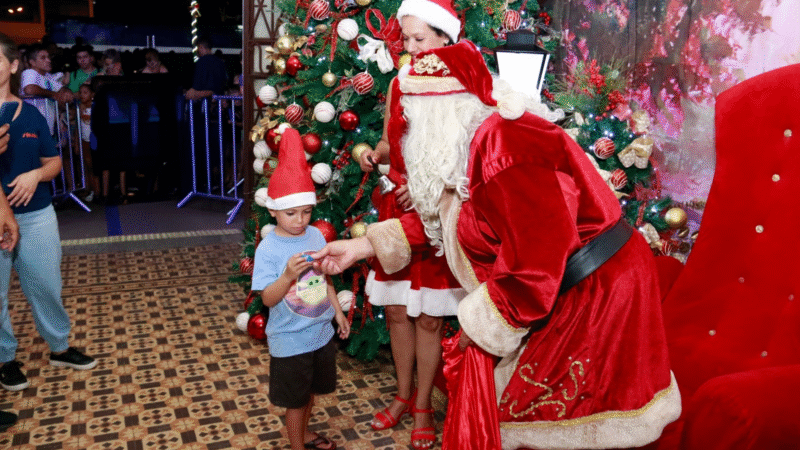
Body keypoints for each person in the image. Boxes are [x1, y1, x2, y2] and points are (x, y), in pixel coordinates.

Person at [313, 40, 681, 449]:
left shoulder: (507, 147)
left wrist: (485, 324)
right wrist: (362, 248)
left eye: (413, 115)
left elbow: (540, 252)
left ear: (443, 111)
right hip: (555, 287)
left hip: (594, 288)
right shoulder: (467, 143)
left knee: (556, 417)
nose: (406, 128)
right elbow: (448, 221)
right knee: (521, 411)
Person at [354, 1, 464, 448]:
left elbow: (463, 159)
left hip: (434, 214)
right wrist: (374, 153)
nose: (412, 49)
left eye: (421, 39)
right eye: (408, 40)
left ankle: (422, 404)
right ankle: (401, 396)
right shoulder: (400, 82)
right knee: (397, 309)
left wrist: (426, 192)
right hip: (395, 209)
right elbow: (387, 138)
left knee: (430, 320)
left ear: (445, 38)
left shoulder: (462, 87)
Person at [0, 33, 97, 393]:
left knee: (46, 285)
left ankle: (59, 347)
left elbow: (54, 161)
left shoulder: (31, 114)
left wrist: (35, 175)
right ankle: (5, 359)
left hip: (37, 213)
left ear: (12, 66)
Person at [251, 127, 350, 450]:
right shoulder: (268, 249)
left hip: (319, 333)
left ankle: (305, 433)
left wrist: (338, 314)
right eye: (291, 213)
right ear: (273, 209)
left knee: (309, 394)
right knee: (295, 402)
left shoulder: (316, 237)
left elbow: (326, 281)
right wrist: (286, 277)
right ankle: (297, 444)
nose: (300, 220)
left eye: (306, 211)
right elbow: (266, 298)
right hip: (289, 340)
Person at [19, 43, 74, 136]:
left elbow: (62, 90)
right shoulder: (30, 72)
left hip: (46, 130)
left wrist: (66, 91)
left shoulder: (48, 77)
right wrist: (53, 94)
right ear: (32, 62)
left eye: (48, 57)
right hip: (30, 130)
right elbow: (29, 89)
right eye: (43, 58)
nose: (48, 60)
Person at [75, 83, 98, 202]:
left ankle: (97, 192)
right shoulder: (79, 108)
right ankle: (89, 190)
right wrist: (77, 143)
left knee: (94, 167)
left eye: (85, 92)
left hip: (94, 141)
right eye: (80, 92)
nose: (82, 95)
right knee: (86, 167)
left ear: (92, 94)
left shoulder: (95, 106)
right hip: (84, 141)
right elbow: (78, 127)